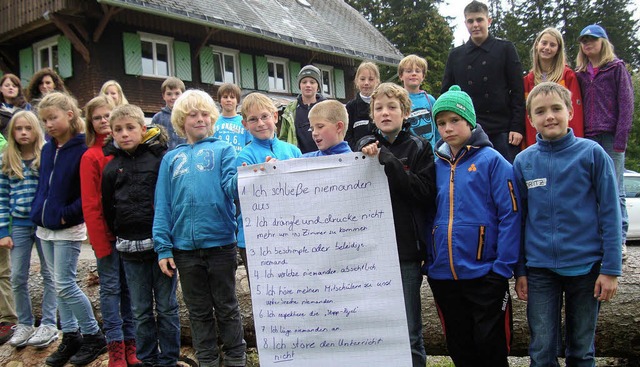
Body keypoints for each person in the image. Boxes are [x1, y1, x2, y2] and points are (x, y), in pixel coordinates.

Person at [514, 82, 622, 366]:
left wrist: (610, 269)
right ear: (530, 119)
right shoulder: (523, 161)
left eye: (555, 108)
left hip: (587, 269)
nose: (549, 116)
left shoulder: (592, 154)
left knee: (581, 351)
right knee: (541, 351)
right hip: (539, 271)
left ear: (570, 111)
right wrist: (521, 270)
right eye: (540, 111)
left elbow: (610, 212)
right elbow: (519, 219)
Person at [426, 85, 521, 367]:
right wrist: (431, 261)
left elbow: (511, 214)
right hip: (444, 276)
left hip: (485, 274)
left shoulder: (494, 162)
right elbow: (426, 211)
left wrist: (502, 267)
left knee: (490, 348)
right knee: (460, 347)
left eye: (455, 120)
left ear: (470, 121)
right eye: (441, 123)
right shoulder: (435, 164)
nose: (448, 128)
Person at [154, 90, 247, 367]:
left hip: (221, 244)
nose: (200, 119)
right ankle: (207, 359)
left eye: (205, 113)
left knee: (227, 307)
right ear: (182, 120)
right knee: (198, 311)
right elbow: (163, 204)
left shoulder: (224, 150)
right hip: (184, 249)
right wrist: (163, 247)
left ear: (213, 118)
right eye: (193, 114)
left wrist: (247, 176)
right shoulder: (171, 159)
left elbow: (232, 189)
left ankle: (236, 358)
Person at [358, 83, 436, 367]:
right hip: (370, 252)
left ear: (405, 113)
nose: (385, 113)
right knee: (376, 328)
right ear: (372, 114)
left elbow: (423, 192)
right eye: (379, 108)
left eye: (392, 107)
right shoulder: (364, 147)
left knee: (410, 331)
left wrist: (388, 161)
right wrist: (362, 147)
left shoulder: (420, 147)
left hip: (405, 253)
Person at [30, 92, 107, 367]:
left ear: (70, 115)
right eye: (45, 120)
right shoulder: (48, 148)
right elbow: (44, 185)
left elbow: (87, 192)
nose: (48, 124)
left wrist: (66, 215)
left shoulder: (81, 148)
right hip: (44, 225)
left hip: (67, 227)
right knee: (55, 283)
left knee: (65, 283)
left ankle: (93, 334)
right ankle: (71, 334)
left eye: (53, 118)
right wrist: (38, 208)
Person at [102, 104, 177, 367]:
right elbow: (107, 206)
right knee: (140, 310)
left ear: (142, 130)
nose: (124, 134)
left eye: (130, 128)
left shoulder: (159, 160)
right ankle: (147, 359)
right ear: (111, 134)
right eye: (118, 130)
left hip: (160, 248)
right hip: (129, 250)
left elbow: (168, 201)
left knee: (167, 308)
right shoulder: (111, 168)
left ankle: (169, 358)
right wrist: (119, 232)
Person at [81, 96, 141, 367]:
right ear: (90, 123)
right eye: (98, 118)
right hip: (106, 237)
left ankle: (132, 342)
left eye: (108, 116)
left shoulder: (123, 153)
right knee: (110, 289)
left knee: (129, 290)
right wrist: (100, 240)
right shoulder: (91, 156)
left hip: (128, 234)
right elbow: (91, 203)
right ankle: (115, 345)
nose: (104, 121)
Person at [576, 24, 634, 261]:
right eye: (584, 40)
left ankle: (619, 240)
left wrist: (621, 139)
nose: (588, 43)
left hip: (610, 136)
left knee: (615, 188)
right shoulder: (580, 73)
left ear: (603, 42)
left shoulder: (616, 68)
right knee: (592, 189)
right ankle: (597, 237)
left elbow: (627, 104)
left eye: (592, 39)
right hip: (587, 136)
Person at [441, 0, 525, 163]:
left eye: (479, 20)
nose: (475, 25)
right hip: (469, 130)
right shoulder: (456, 55)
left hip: (503, 130)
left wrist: (517, 127)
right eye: (471, 21)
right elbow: (446, 95)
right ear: (465, 23)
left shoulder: (505, 48)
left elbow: (517, 92)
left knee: (507, 180)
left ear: (489, 21)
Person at [1, 111, 58, 349]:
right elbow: (2, 197)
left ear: (36, 131)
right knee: (17, 275)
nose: (23, 133)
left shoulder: (43, 157)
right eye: (18, 129)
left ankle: (48, 323)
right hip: (19, 226)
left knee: (50, 273)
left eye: (28, 128)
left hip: (42, 224)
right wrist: (3, 230)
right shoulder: (7, 161)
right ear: (12, 133)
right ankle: (24, 323)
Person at [237, 92, 302, 277]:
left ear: (275, 116)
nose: (260, 123)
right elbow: (234, 193)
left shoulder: (293, 151)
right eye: (253, 119)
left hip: (291, 233)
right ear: (245, 125)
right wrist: (252, 177)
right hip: (255, 238)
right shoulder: (244, 156)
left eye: (265, 116)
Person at [523, 27, 583, 147]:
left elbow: (574, 110)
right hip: (537, 141)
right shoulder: (528, 80)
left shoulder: (567, 75)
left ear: (558, 50)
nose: (547, 48)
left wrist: (576, 142)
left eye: (552, 45)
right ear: (537, 45)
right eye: (544, 43)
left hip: (564, 140)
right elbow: (527, 113)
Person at [279, 65, 326, 153]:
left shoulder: (327, 107)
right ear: (299, 85)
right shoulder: (290, 110)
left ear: (318, 86)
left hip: (324, 158)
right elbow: (283, 139)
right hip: (298, 161)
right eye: (304, 82)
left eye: (312, 82)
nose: (308, 85)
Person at [398, 55, 439, 152]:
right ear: (401, 76)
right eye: (408, 71)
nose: (413, 74)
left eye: (417, 71)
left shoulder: (430, 100)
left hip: (432, 154)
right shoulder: (398, 100)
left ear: (423, 76)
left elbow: (438, 129)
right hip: (410, 154)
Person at [345, 61, 380, 149]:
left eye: (371, 79)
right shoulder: (350, 107)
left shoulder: (382, 104)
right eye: (362, 79)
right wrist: (358, 151)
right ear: (356, 81)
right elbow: (347, 135)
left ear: (377, 81)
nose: (366, 83)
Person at [214, 83, 252, 153]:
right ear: (220, 100)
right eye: (225, 97)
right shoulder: (213, 121)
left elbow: (250, 145)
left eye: (232, 97)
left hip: (239, 162)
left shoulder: (245, 122)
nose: (228, 100)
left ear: (237, 101)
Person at [151, 76, 186, 150]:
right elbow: (152, 141)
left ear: (183, 95)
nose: (173, 97)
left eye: (177, 93)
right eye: (169, 94)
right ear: (163, 96)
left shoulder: (188, 116)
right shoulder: (158, 118)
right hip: (164, 157)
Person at [0, 74, 31, 138]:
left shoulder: (27, 108)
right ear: (1, 89)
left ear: (18, 90)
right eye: (7, 86)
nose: (11, 88)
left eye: (14, 86)